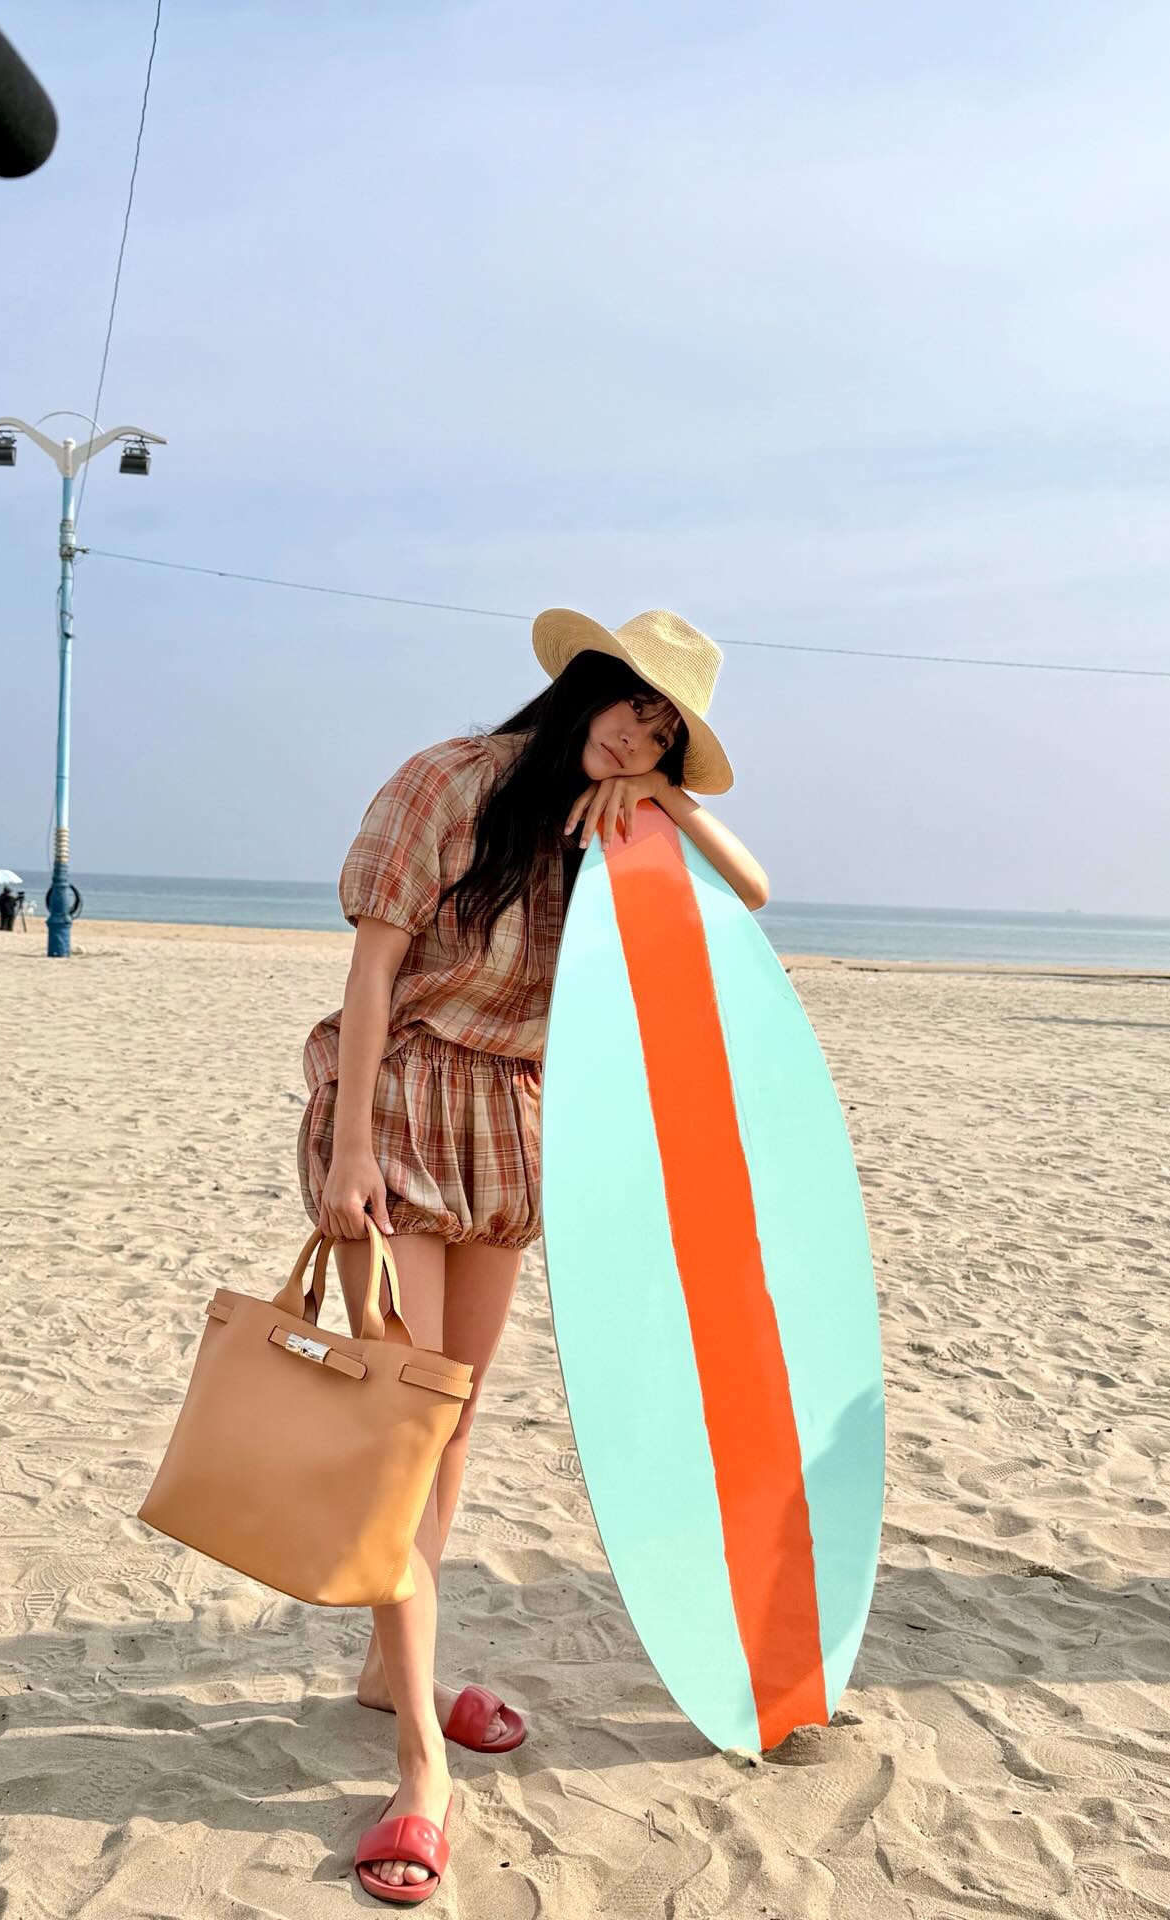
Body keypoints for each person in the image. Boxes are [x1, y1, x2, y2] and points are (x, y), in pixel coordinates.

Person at [299, 609, 767, 1902]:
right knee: (403, 1431)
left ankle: (386, 1670)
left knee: (453, 1425)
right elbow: (374, 967)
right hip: (399, 1104)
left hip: (508, 1121)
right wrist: (348, 1151)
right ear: (586, 685)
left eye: (666, 732)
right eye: (634, 707)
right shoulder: (449, 780)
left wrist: (661, 797)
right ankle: (419, 1767)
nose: (639, 737)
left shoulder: (617, 823)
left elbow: (749, 893)